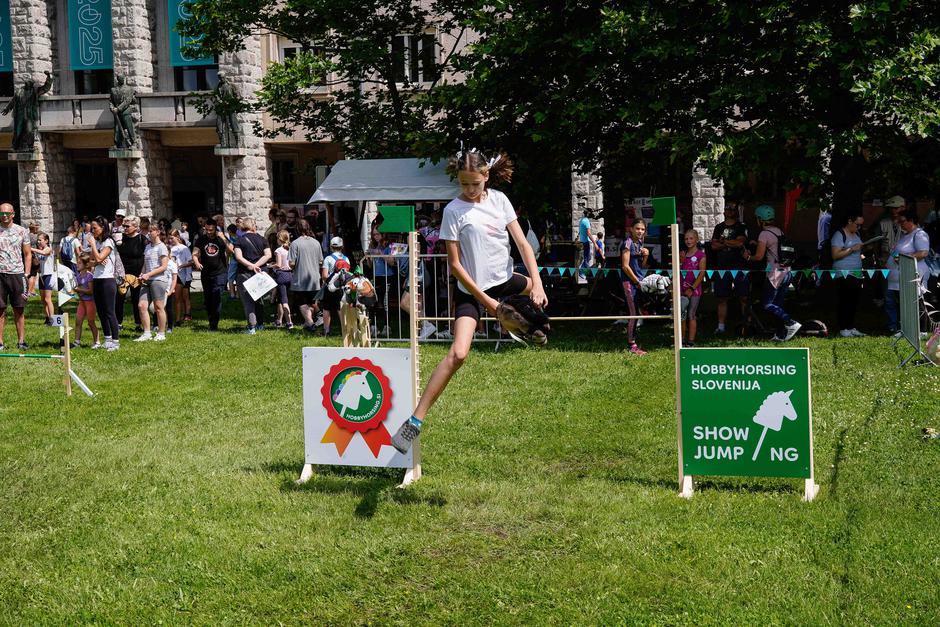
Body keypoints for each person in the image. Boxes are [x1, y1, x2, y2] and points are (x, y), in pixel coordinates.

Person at [389, 149, 546, 454]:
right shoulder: (453, 211)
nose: (470, 190)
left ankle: (534, 328)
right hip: (470, 289)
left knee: (539, 300)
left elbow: (524, 245)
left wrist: (537, 284)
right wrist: (489, 304)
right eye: (464, 185)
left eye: (475, 184)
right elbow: (456, 266)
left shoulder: (500, 200)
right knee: (459, 354)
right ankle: (414, 423)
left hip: (505, 279)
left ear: (486, 176)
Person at [747, 204, 801, 341]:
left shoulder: (764, 233)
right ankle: (780, 334)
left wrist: (747, 256)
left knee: (767, 304)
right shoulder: (779, 231)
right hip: (787, 272)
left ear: (760, 219)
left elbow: (758, 256)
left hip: (774, 274)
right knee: (778, 304)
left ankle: (791, 322)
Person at [885, 206, 930, 334]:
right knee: (904, 305)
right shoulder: (906, 235)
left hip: (914, 275)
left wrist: (904, 258)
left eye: (902, 221)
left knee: (917, 303)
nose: (900, 224)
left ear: (911, 220)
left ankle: (922, 331)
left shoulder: (919, 234)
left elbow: (923, 253)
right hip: (901, 277)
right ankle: (906, 329)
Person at [710, 203, 750, 334]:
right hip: (722, 266)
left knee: (744, 297)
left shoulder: (741, 226)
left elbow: (740, 243)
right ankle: (721, 326)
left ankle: (747, 324)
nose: (730, 211)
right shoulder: (719, 227)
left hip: (739, 266)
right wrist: (730, 243)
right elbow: (713, 246)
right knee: (721, 298)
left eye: (733, 209)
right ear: (724, 211)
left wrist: (723, 242)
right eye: (728, 208)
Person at [830, 212, 867, 337]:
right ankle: (843, 328)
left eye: (861, 225)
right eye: (857, 225)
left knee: (854, 301)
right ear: (850, 221)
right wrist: (851, 249)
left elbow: (858, 252)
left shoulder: (856, 234)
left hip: (856, 272)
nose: (859, 228)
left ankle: (850, 327)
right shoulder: (839, 234)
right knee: (845, 300)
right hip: (843, 273)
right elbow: (835, 255)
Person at [0, 203, 31, 350]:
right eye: (1, 213)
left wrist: (26, 273)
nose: (4, 216)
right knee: (0, 310)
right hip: (0, 274)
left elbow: (28, 253)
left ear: (13, 214)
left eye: (7, 213)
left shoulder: (22, 231)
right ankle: (0, 343)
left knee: (19, 309)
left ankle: (21, 341)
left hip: (17, 274)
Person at [87, 216, 121, 351]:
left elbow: (100, 257)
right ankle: (107, 339)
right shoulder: (98, 242)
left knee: (109, 311)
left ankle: (116, 341)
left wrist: (95, 250)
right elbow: (90, 262)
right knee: (100, 311)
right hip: (97, 279)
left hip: (108, 280)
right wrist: (97, 260)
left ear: (103, 228)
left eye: (94, 228)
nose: (92, 231)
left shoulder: (108, 242)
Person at [233, 217, 271, 334]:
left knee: (248, 301)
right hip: (260, 272)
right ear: (254, 226)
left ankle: (251, 327)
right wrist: (257, 265)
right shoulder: (262, 239)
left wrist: (251, 265)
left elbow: (238, 257)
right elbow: (268, 255)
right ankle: (260, 324)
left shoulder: (240, 240)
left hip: (245, 273)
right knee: (259, 300)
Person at [192, 221, 232, 330]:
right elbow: (195, 253)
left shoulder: (220, 239)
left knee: (217, 297)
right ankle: (211, 321)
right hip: (206, 273)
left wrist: (223, 238)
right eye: (207, 230)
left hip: (220, 273)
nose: (209, 232)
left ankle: (214, 323)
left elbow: (231, 249)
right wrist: (196, 261)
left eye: (211, 230)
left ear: (216, 229)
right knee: (208, 299)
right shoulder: (201, 239)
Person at [135, 226, 170, 342]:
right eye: (147, 231)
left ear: (158, 232)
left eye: (151, 231)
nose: (149, 233)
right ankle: (147, 333)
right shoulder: (148, 247)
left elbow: (164, 267)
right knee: (141, 306)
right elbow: (145, 264)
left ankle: (161, 333)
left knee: (158, 307)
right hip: (147, 280)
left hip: (159, 280)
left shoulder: (162, 247)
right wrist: (142, 274)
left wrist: (149, 274)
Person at [620, 219, 649, 355]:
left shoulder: (640, 243)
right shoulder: (627, 243)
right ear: (631, 229)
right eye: (637, 228)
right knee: (633, 314)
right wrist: (636, 281)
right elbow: (625, 266)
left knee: (637, 312)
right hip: (629, 283)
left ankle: (634, 341)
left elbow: (641, 267)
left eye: (642, 229)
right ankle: (631, 345)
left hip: (638, 281)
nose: (640, 231)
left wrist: (646, 256)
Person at [289, 218, 324, 331]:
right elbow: (320, 261)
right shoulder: (316, 242)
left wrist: (293, 266)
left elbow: (292, 263)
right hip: (314, 278)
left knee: (302, 302)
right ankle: (310, 322)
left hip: (301, 278)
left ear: (297, 229)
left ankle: (310, 323)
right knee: (312, 302)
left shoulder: (295, 243)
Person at [115, 215, 145, 331]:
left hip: (137, 274)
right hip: (122, 273)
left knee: (136, 299)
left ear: (136, 226)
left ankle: (139, 324)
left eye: (127, 226)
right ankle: (118, 323)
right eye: (123, 226)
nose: (125, 228)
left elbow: (145, 256)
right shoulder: (120, 238)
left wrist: (143, 272)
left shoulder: (142, 239)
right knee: (119, 298)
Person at [680, 228, 707, 346]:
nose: (688, 240)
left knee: (691, 314)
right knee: (682, 315)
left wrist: (692, 289)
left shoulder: (701, 255)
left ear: (696, 240)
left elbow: (701, 274)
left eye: (691, 238)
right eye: (686, 238)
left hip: (694, 290)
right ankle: (681, 340)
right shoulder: (682, 254)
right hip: (681, 288)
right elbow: (679, 270)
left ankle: (690, 341)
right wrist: (680, 260)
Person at [321, 236, 349, 335]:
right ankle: (344, 330)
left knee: (326, 308)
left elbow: (324, 275)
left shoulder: (328, 258)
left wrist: (327, 281)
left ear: (331, 247)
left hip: (330, 287)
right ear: (342, 246)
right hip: (341, 288)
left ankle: (326, 330)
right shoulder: (346, 259)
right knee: (340, 308)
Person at [72, 254, 100, 349]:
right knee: (78, 321)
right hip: (82, 302)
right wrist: (77, 293)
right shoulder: (78, 276)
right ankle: (77, 342)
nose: (77, 265)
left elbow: (90, 291)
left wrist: (79, 290)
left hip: (90, 302)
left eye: (79, 263)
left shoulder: (89, 276)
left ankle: (97, 341)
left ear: (86, 265)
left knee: (91, 322)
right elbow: (79, 290)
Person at [168, 229, 193, 324]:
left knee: (185, 296)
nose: (170, 240)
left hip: (185, 274)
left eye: (172, 238)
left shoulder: (184, 248)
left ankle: (187, 314)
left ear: (177, 237)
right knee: (177, 297)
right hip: (175, 275)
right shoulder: (170, 248)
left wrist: (180, 266)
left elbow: (191, 262)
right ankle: (178, 318)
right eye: (169, 238)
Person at [31, 232, 55, 325]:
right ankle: (47, 318)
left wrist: (32, 249)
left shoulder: (48, 249)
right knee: (42, 299)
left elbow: (45, 253)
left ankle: (52, 319)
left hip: (48, 275)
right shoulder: (39, 250)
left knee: (47, 299)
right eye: (38, 240)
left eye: (40, 240)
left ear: (46, 241)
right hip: (42, 275)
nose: (39, 241)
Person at [272, 229, 293, 329]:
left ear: (279, 239)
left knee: (284, 301)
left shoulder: (278, 250)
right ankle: (279, 321)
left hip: (281, 275)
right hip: (290, 274)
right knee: (281, 299)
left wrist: (270, 266)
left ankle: (289, 322)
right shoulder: (289, 249)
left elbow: (279, 264)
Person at [577, 210, 597, 283]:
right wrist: (595, 243)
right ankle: (584, 272)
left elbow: (580, 231)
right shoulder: (587, 221)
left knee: (588, 257)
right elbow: (589, 233)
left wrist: (578, 236)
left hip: (582, 241)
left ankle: (582, 271)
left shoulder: (581, 220)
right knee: (586, 258)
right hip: (585, 242)